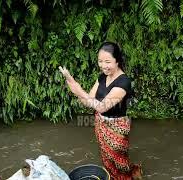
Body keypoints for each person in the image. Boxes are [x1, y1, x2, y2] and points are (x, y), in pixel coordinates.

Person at [59, 42, 142, 179]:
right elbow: (88, 101)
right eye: (100, 61)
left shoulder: (124, 82)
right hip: (101, 123)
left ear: (117, 61)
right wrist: (71, 82)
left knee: (120, 161)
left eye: (107, 61)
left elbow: (102, 106)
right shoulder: (102, 77)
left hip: (117, 127)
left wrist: (78, 89)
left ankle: (130, 174)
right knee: (107, 160)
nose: (103, 65)